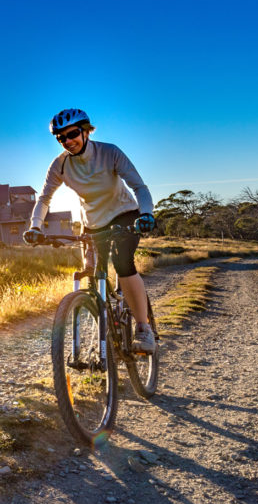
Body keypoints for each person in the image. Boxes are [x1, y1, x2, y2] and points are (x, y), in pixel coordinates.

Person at [22, 109, 158, 353]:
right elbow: (44, 198)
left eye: (72, 134)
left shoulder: (110, 152)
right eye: (60, 138)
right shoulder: (60, 165)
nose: (67, 141)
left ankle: (143, 328)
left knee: (123, 263)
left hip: (124, 214)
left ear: (86, 131)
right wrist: (35, 226)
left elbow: (139, 186)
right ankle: (107, 329)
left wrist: (146, 213)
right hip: (92, 222)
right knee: (92, 272)